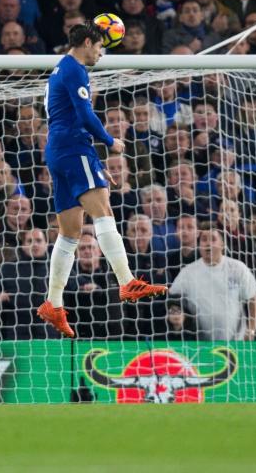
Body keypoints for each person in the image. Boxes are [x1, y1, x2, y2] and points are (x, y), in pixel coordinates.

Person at [36, 22, 166, 339]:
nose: (101, 53)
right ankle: (126, 281)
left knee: (70, 232)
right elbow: (84, 115)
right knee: (103, 212)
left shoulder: (59, 69)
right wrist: (110, 142)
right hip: (73, 147)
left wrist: (92, 161)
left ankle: (53, 303)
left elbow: (67, 115)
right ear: (86, 41)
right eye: (99, 46)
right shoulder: (75, 70)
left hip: (60, 150)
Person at [169, 227, 256, 341]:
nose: (208, 243)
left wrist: (251, 330)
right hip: (199, 345)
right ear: (199, 245)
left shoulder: (238, 268)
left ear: (222, 244)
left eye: (213, 239)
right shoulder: (187, 273)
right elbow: (172, 301)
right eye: (204, 239)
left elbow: (254, 300)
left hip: (235, 344)